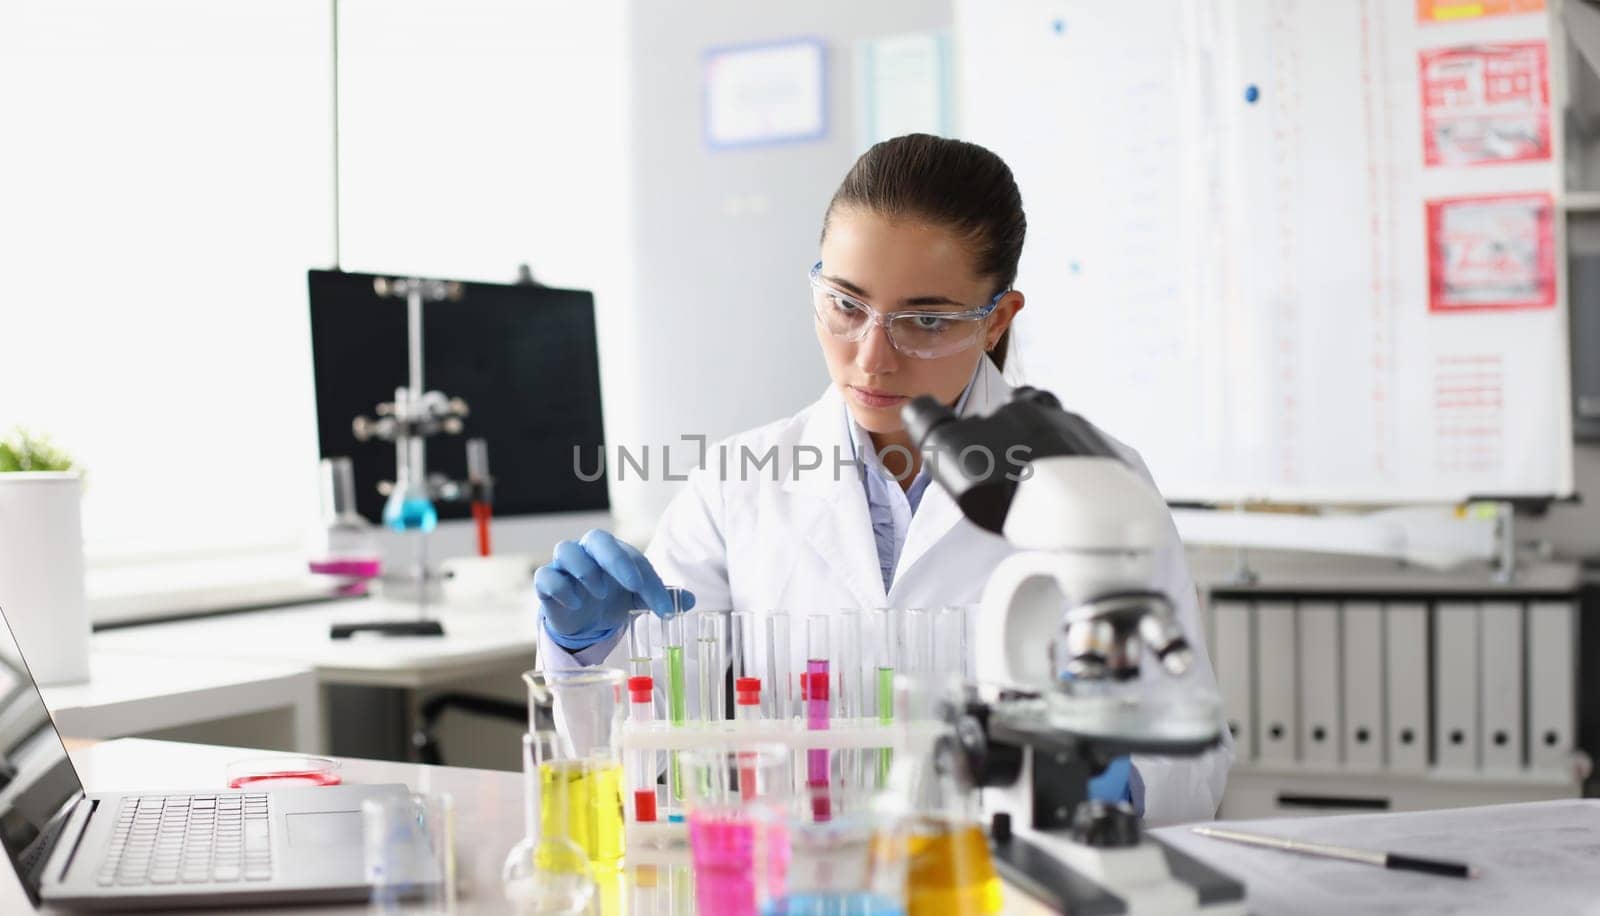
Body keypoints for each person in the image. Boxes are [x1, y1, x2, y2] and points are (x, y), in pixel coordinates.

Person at [534, 133, 1232, 826]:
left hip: (1005, 887)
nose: (873, 358)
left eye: (925, 320)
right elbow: (642, 754)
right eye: (845, 304)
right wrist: (583, 653)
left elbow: (1187, 761)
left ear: (998, 322)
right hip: (804, 889)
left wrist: (1106, 785)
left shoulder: (1093, 488)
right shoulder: (734, 485)